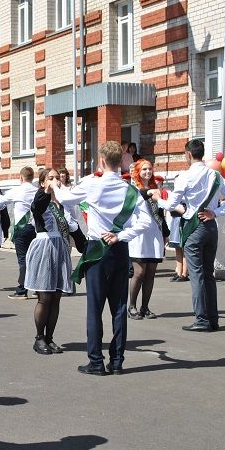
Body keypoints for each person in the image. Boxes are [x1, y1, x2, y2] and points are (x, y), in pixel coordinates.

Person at [55, 141, 153, 375]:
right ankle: (117, 361)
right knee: (119, 307)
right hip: (119, 249)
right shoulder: (129, 190)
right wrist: (121, 236)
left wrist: (55, 185)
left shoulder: (92, 183)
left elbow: (65, 198)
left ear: (101, 161)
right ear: (121, 162)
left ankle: (96, 361)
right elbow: (146, 222)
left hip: (97, 249)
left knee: (95, 307)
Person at [152, 139, 225, 332]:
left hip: (194, 227)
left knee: (197, 275)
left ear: (188, 155)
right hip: (211, 227)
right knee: (208, 274)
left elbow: (172, 203)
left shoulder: (185, 176)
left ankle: (201, 319)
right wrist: (216, 212)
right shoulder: (215, 175)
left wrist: (159, 199)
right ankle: (212, 319)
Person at [26, 168, 74, 355]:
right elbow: (38, 205)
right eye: (51, 178)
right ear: (43, 183)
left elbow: (72, 229)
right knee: (44, 297)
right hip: (44, 247)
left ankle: (50, 337)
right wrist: (47, 191)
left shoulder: (61, 205)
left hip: (59, 248)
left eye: (57, 178)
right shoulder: (40, 200)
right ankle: (39, 338)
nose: (56, 180)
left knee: (56, 297)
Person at [127, 160, 169, 320]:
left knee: (151, 273)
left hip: (154, 233)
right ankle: (132, 306)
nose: (148, 171)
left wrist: (165, 232)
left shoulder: (155, 189)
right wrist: (150, 192)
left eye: (150, 169)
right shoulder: (133, 189)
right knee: (139, 272)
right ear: (138, 171)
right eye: (144, 169)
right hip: (139, 234)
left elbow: (160, 213)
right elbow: (139, 197)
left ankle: (145, 307)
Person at [0, 167, 38, 300]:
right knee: (34, 258)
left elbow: (1, 202)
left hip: (22, 228)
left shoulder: (17, 190)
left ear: (21, 177)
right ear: (32, 177)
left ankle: (22, 290)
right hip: (35, 228)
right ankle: (37, 287)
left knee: (23, 259)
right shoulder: (37, 191)